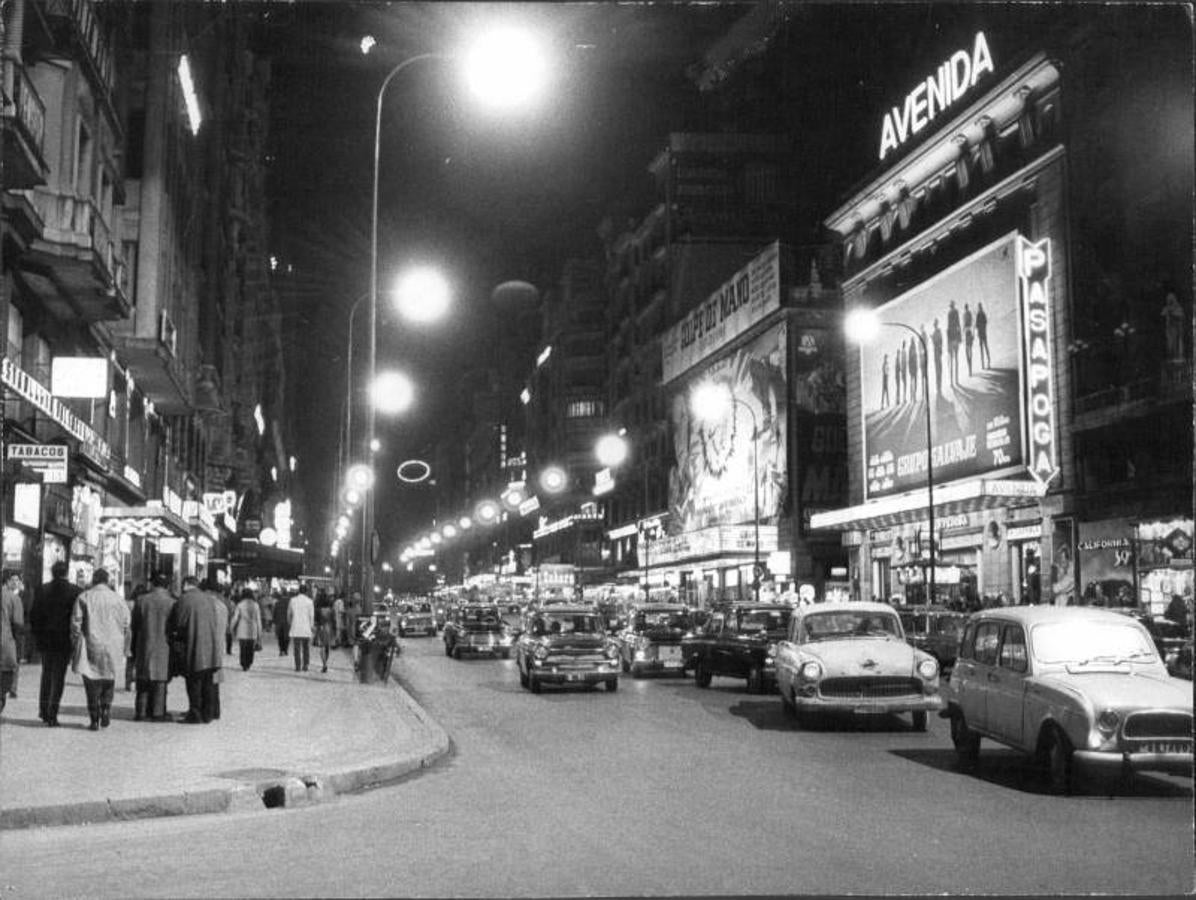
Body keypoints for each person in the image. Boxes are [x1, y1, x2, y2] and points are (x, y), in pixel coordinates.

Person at [71, 569, 130, 731]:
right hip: (112, 646)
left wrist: (76, 641)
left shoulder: (84, 597)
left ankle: (94, 718)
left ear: (94, 580)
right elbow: (126, 623)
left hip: (90, 645)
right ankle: (106, 708)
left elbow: (76, 623)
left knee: (91, 683)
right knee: (109, 680)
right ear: (107, 581)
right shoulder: (118, 599)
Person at [167, 576, 223, 724]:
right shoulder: (209, 599)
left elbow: (178, 623)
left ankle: (195, 714)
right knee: (208, 683)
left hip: (194, 648)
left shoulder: (184, 600)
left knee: (194, 683)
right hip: (211, 649)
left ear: (186, 584)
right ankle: (208, 714)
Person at [31, 561, 81, 726]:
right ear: (66, 573)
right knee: (58, 677)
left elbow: (34, 616)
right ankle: (52, 713)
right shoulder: (75, 591)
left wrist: (37, 636)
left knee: (46, 674)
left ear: (52, 573)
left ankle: (44, 711)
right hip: (63, 640)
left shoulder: (42, 590)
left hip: (45, 639)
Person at [132, 572, 175, 721]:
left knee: (143, 678)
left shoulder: (141, 600)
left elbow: (135, 624)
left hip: (144, 643)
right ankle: (158, 712)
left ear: (153, 584)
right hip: (164, 646)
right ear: (167, 586)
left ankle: (141, 711)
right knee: (160, 679)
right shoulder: (171, 603)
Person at [0, 570, 25, 718]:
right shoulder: (14, 599)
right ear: (8, 581)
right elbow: (18, 623)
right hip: (6, 642)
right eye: (14, 580)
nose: (16, 582)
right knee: (6, 673)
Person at [229, 588, 263, 671]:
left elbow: (235, 618)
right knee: (250, 648)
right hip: (252, 630)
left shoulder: (240, 604)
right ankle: (249, 663)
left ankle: (243, 663)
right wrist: (259, 633)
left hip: (242, 629)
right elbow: (258, 620)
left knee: (243, 648)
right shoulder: (256, 605)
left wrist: (231, 627)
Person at [288, 585, 315, 672]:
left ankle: (298, 666)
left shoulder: (293, 600)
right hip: (306, 627)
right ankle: (306, 665)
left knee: (296, 648)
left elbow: (289, 614)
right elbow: (311, 616)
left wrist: (290, 623)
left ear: (298, 591)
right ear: (306, 591)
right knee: (306, 648)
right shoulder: (310, 602)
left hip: (296, 627)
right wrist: (311, 627)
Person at [314, 591, 336, 673]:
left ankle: (324, 664)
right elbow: (334, 621)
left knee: (321, 647)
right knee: (327, 647)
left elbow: (316, 621)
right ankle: (325, 662)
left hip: (321, 628)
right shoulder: (331, 610)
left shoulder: (318, 610)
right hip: (329, 628)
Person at [946, 300, 962, 385]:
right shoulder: (956, 312)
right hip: (955, 337)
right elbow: (959, 325)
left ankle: (952, 381)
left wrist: (948, 342)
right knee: (956, 359)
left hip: (951, 338)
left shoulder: (949, 313)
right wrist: (960, 339)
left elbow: (948, 327)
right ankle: (956, 380)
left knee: (952, 359)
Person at [273, 591, 290, 656]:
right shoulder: (289, 603)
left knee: (280, 637)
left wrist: (274, 621)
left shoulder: (277, 603)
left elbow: (274, 612)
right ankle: (285, 650)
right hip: (287, 622)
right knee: (287, 637)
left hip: (279, 622)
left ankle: (281, 650)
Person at [975, 302, 990, 368]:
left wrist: (978, 330)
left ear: (979, 308)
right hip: (984, 333)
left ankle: (983, 364)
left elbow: (976, 325)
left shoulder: (978, 314)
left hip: (981, 334)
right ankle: (988, 361)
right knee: (986, 347)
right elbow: (986, 322)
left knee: (981, 348)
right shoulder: (983, 314)